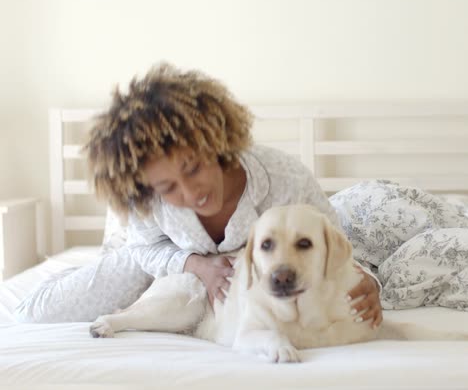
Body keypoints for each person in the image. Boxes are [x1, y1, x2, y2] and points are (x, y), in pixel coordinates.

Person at [15, 62, 382, 326]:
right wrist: (195, 265)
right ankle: (67, 271)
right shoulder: (147, 199)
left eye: (193, 169)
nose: (191, 193)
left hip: (229, 265)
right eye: (168, 187)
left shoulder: (287, 181)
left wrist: (368, 282)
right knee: (34, 314)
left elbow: (337, 246)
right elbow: (144, 248)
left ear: (215, 144)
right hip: (155, 249)